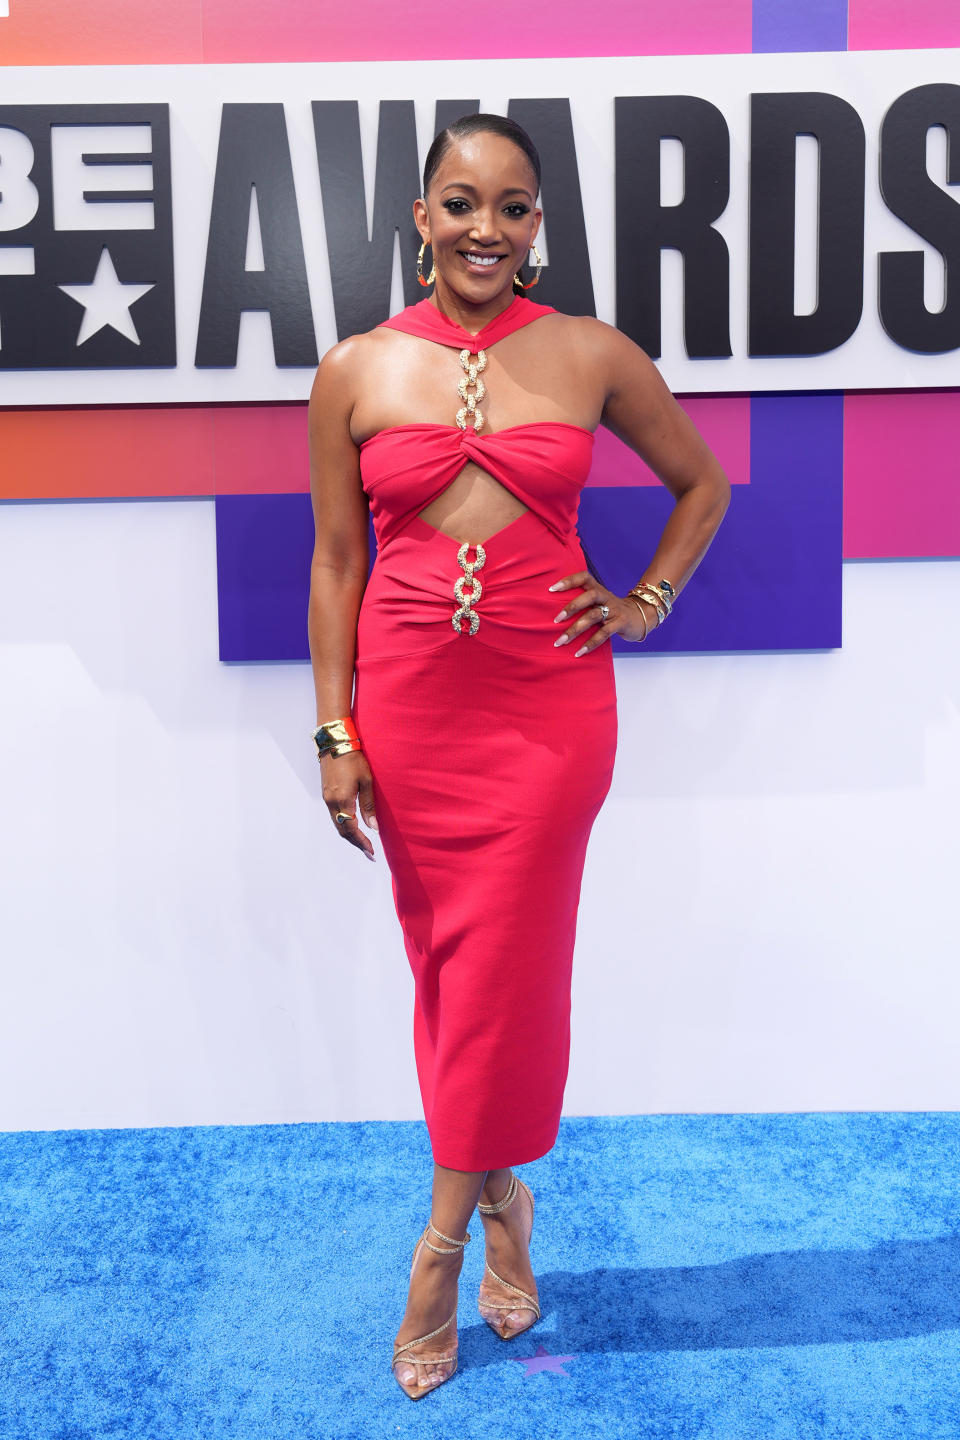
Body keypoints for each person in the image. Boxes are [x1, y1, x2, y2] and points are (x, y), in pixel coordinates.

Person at [306, 112, 730, 1400]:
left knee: (510, 969)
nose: (485, 227)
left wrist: (644, 599)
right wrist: (336, 729)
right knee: (448, 962)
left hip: (549, 714)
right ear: (421, 217)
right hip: (414, 710)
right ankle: (505, 1205)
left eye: (513, 205)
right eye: (459, 202)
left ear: (538, 224)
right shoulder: (357, 369)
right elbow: (336, 565)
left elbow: (701, 486)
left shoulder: (592, 353)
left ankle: (438, 1248)